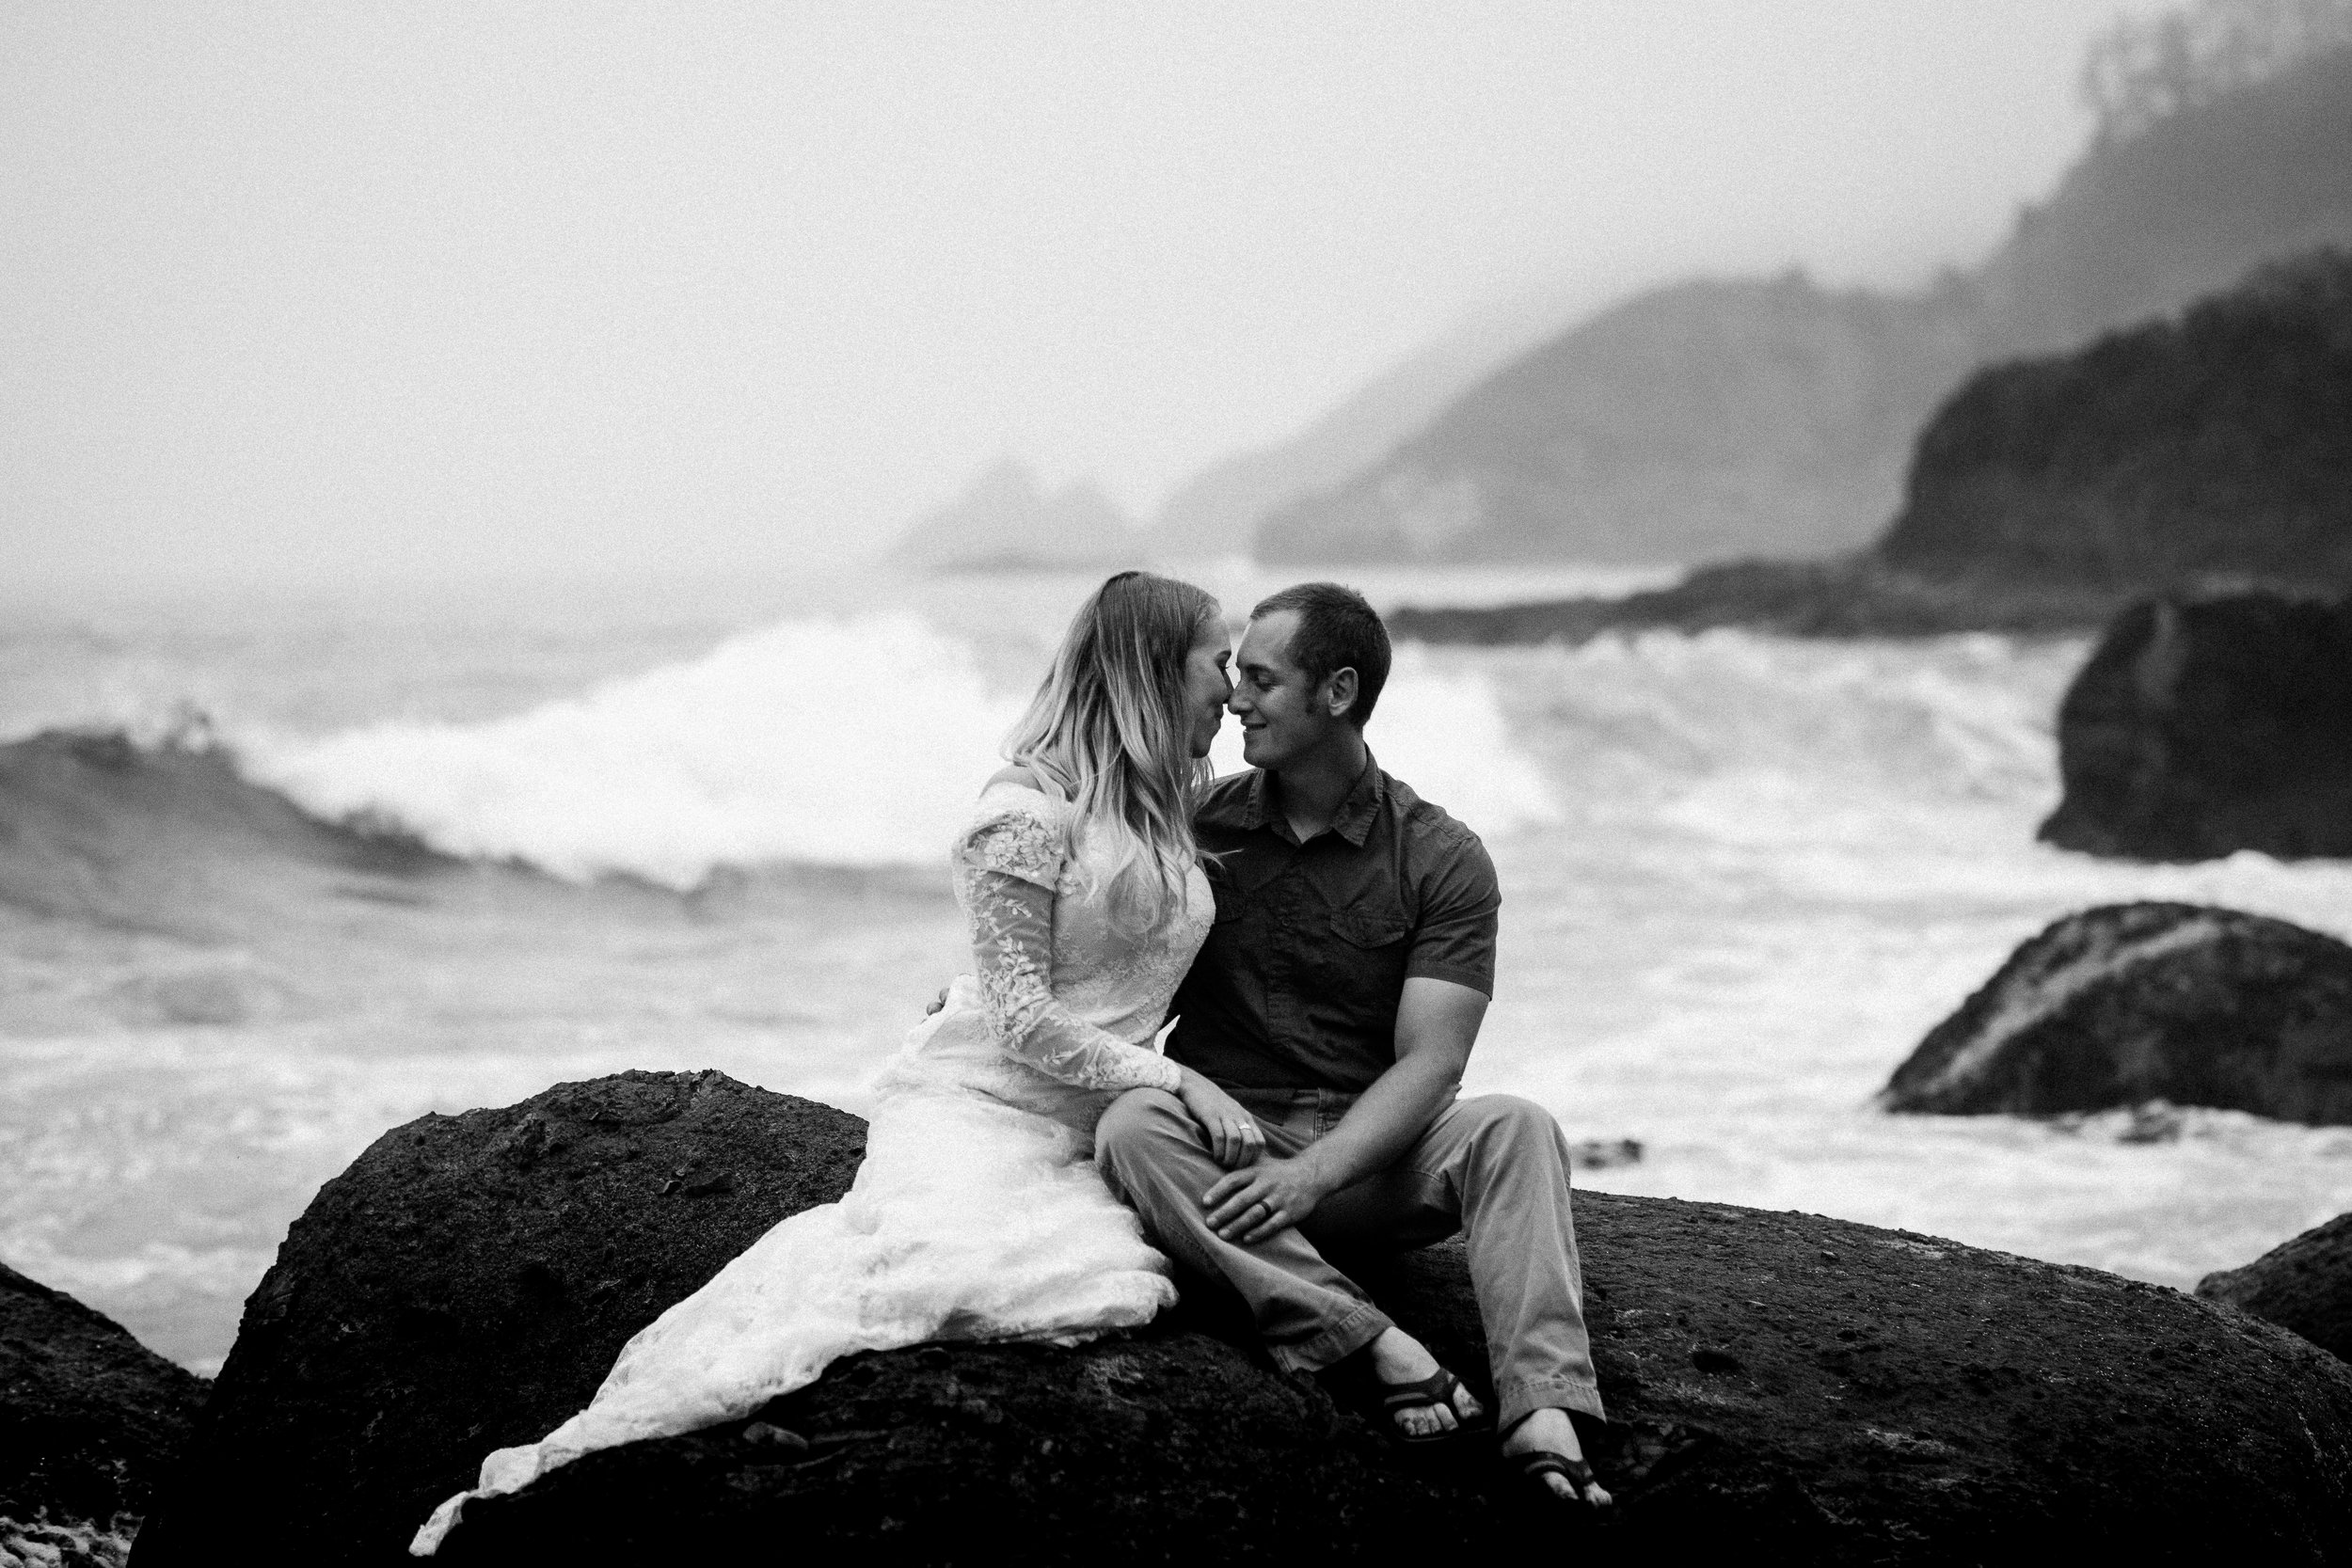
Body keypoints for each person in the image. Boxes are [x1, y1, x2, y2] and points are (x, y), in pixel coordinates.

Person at [411, 570, 1262, 1555]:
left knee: (1093, 1279)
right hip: (981, 1105)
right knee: (960, 1279)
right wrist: (1176, 1077)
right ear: (1154, 670)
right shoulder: (1023, 812)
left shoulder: (1167, 811)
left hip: (1089, 1126)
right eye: (1218, 664)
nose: (1231, 689)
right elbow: (1025, 1018)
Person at [1094, 581, 1613, 1512]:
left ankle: (1544, 1409)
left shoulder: (1441, 856)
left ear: (1336, 692)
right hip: (1224, 1148)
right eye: (1232, 675)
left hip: (1372, 1158)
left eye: (1259, 678)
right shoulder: (1195, 822)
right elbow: (1096, 962)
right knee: (1130, 1126)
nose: (1234, 698)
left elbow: (1433, 1061)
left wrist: (1317, 1173)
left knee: (1517, 1125)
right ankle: (1368, 1337)